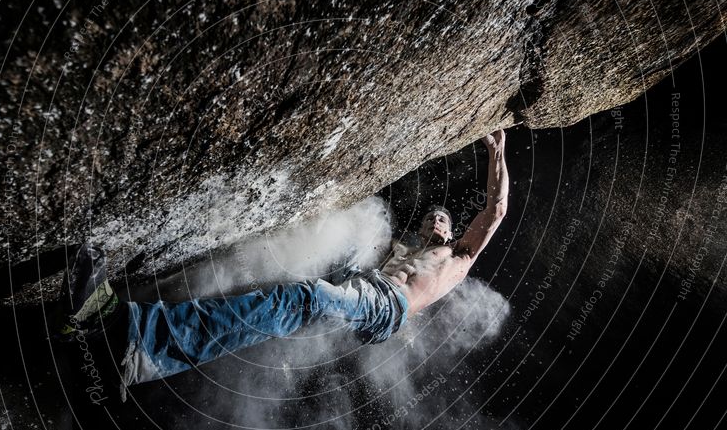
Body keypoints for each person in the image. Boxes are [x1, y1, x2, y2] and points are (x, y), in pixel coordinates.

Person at [57, 129, 508, 402]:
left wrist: (496, 152)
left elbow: (496, 210)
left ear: (452, 233)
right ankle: (136, 345)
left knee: (306, 297)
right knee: (291, 296)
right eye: (431, 214)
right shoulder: (399, 247)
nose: (435, 218)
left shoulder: (457, 259)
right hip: (366, 298)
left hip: (386, 308)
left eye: (444, 218)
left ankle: (135, 340)